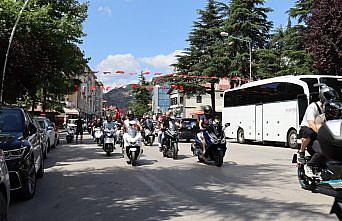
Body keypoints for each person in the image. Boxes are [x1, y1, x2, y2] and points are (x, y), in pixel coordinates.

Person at [298, 86, 339, 163]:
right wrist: (321, 134)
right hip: (308, 128)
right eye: (329, 96)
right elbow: (311, 123)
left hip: (321, 128)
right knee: (309, 133)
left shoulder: (331, 107)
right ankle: (301, 152)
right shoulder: (313, 107)